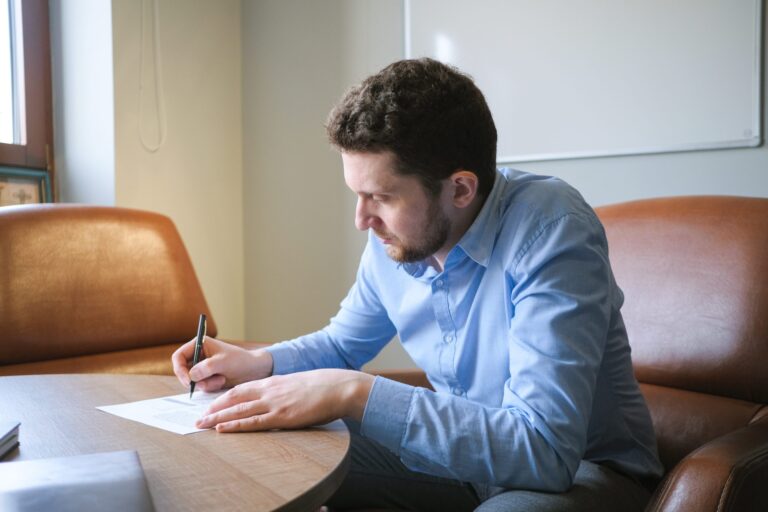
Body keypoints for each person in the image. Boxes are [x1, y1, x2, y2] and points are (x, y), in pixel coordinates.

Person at [172, 58, 663, 511]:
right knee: (256, 450)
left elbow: (544, 451)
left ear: (460, 189)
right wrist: (255, 363)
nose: (362, 220)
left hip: (583, 474)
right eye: (357, 195)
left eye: (380, 197)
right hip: (461, 467)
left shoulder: (551, 229)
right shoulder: (399, 236)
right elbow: (343, 345)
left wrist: (355, 393)